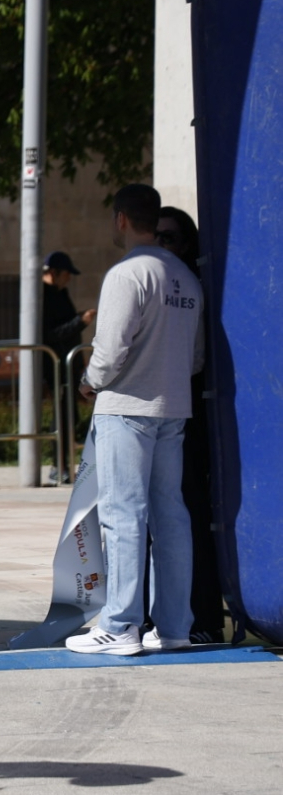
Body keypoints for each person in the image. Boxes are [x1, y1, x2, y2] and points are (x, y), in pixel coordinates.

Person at [67, 185, 204, 656]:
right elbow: (196, 355)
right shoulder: (185, 277)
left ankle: (122, 624)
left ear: (121, 219)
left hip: (127, 407)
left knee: (123, 514)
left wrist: (89, 381)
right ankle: (173, 627)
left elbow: (108, 352)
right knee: (170, 516)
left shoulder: (127, 274)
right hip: (173, 407)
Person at [155, 207, 223, 643]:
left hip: (188, 413)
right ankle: (158, 616)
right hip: (158, 411)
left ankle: (200, 618)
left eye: (172, 238)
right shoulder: (150, 283)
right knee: (145, 517)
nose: (164, 246)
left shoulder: (191, 288)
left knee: (187, 510)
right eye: (157, 237)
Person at [42, 252, 95, 388]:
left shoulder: (61, 293)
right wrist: (80, 321)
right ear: (54, 273)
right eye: (66, 274)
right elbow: (50, 333)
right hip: (55, 365)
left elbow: (67, 323)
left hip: (68, 364)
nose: (69, 278)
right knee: (63, 405)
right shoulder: (44, 296)